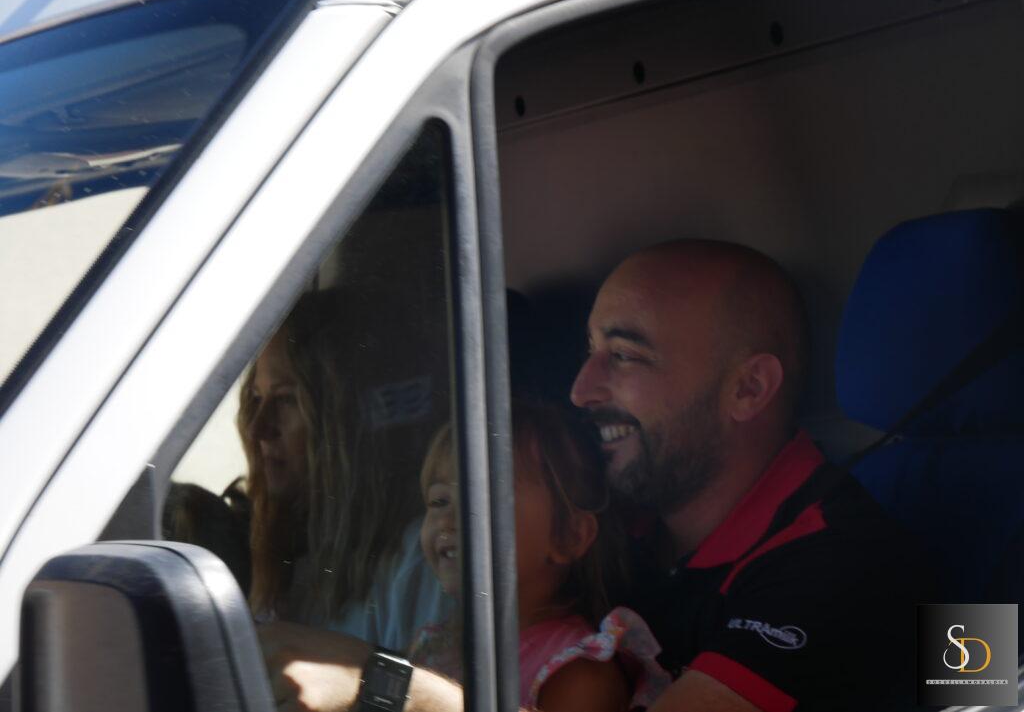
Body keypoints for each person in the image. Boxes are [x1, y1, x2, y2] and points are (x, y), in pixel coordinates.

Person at [259, 240, 926, 712]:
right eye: (589, 350)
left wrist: (380, 686)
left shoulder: (840, 563)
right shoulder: (620, 522)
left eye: (624, 356)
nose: (581, 389)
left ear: (748, 388)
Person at [411, 403, 669, 711]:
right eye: (439, 500)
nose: (448, 520)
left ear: (569, 536)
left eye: (482, 498)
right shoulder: (432, 645)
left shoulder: (578, 673)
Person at [240, 288, 448, 649]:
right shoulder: (289, 553)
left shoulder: (416, 562)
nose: (258, 428)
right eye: (256, 399)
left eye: (287, 400)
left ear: (345, 420)